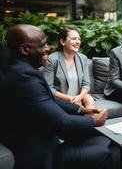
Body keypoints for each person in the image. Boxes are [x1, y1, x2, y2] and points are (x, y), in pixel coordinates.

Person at [0, 24, 112, 169]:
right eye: (43, 44)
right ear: (24, 49)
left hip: (44, 134)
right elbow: (63, 123)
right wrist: (93, 121)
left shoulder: (18, 69)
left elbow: (48, 99)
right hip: (40, 151)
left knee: (100, 138)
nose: (48, 48)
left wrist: (82, 111)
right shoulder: (24, 77)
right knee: (104, 152)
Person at [43, 27, 95, 109]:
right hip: (61, 99)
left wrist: (79, 97)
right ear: (62, 42)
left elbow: (86, 84)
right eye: (74, 39)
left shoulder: (83, 58)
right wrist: (70, 98)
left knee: (89, 99)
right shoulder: (52, 59)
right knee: (78, 107)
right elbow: (48, 88)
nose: (78, 42)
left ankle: (92, 120)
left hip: (79, 97)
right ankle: (90, 119)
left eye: (79, 39)